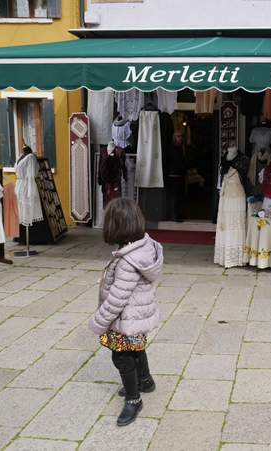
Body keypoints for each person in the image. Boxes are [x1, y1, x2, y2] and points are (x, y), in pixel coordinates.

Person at [88, 197, 164, 427]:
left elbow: (117, 300)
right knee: (137, 347)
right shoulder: (140, 246)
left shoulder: (127, 260)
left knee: (121, 356)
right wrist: (108, 279)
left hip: (126, 317)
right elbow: (125, 283)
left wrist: (98, 322)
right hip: (137, 315)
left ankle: (134, 399)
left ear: (116, 225)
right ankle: (145, 380)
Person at [167, 130, 186, 222]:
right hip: (174, 174)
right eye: (178, 136)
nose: (180, 138)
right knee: (174, 195)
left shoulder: (180, 148)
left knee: (178, 195)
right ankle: (174, 215)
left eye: (181, 136)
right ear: (174, 137)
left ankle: (177, 214)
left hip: (179, 174)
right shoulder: (173, 148)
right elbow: (178, 161)